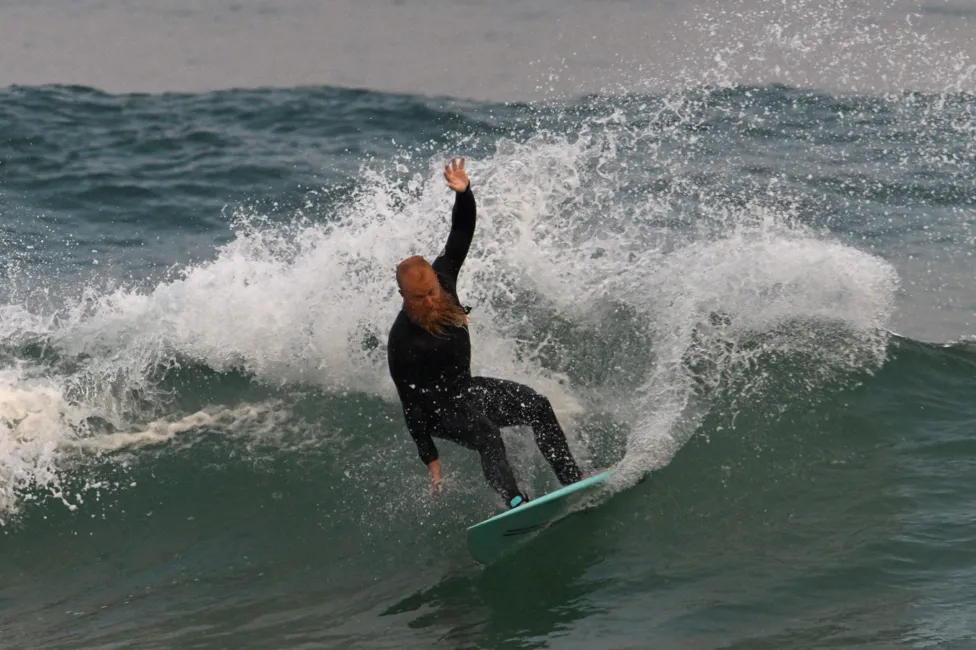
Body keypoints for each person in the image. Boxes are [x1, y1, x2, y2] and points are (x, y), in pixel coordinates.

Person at [387, 157, 584, 510]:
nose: (432, 301)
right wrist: (430, 459)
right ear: (404, 296)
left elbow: (461, 232)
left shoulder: (443, 279)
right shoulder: (403, 341)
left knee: (538, 406)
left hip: (466, 389)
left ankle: (573, 480)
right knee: (488, 435)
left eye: (432, 290)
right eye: (422, 297)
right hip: (436, 410)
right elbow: (411, 405)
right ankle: (514, 502)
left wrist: (464, 194)